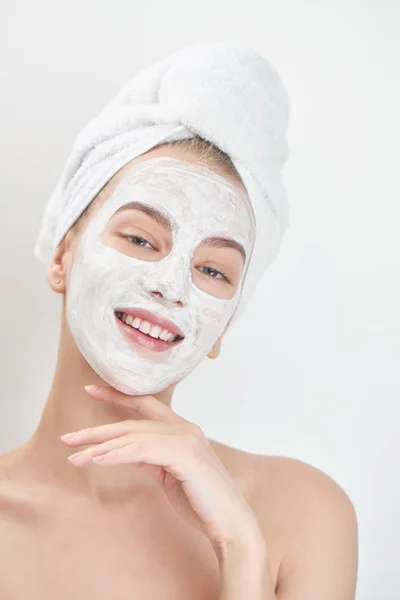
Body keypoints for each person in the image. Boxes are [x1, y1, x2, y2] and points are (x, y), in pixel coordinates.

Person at [0, 137, 358, 599]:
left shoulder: (303, 511)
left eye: (213, 271)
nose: (171, 286)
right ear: (61, 257)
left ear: (223, 328)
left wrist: (242, 549)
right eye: (140, 239)